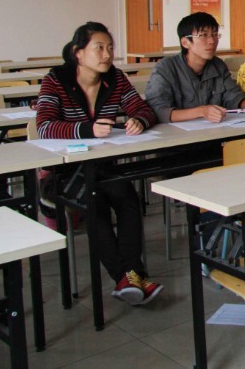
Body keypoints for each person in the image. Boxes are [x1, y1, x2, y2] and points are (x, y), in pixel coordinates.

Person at [36, 22, 163, 306]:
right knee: (96, 205)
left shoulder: (115, 78)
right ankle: (127, 277)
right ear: (78, 52)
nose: (107, 54)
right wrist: (88, 129)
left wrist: (138, 120)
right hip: (64, 171)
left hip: (101, 165)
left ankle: (131, 277)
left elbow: (143, 109)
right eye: (99, 48)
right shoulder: (56, 79)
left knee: (128, 199)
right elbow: (44, 126)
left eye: (110, 48)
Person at [145, 12, 245, 122]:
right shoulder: (166, 68)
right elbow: (158, 111)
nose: (212, 41)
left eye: (215, 34)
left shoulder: (218, 66)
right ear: (185, 42)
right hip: (176, 134)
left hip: (214, 132)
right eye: (203, 35)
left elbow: (233, 97)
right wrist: (201, 111)